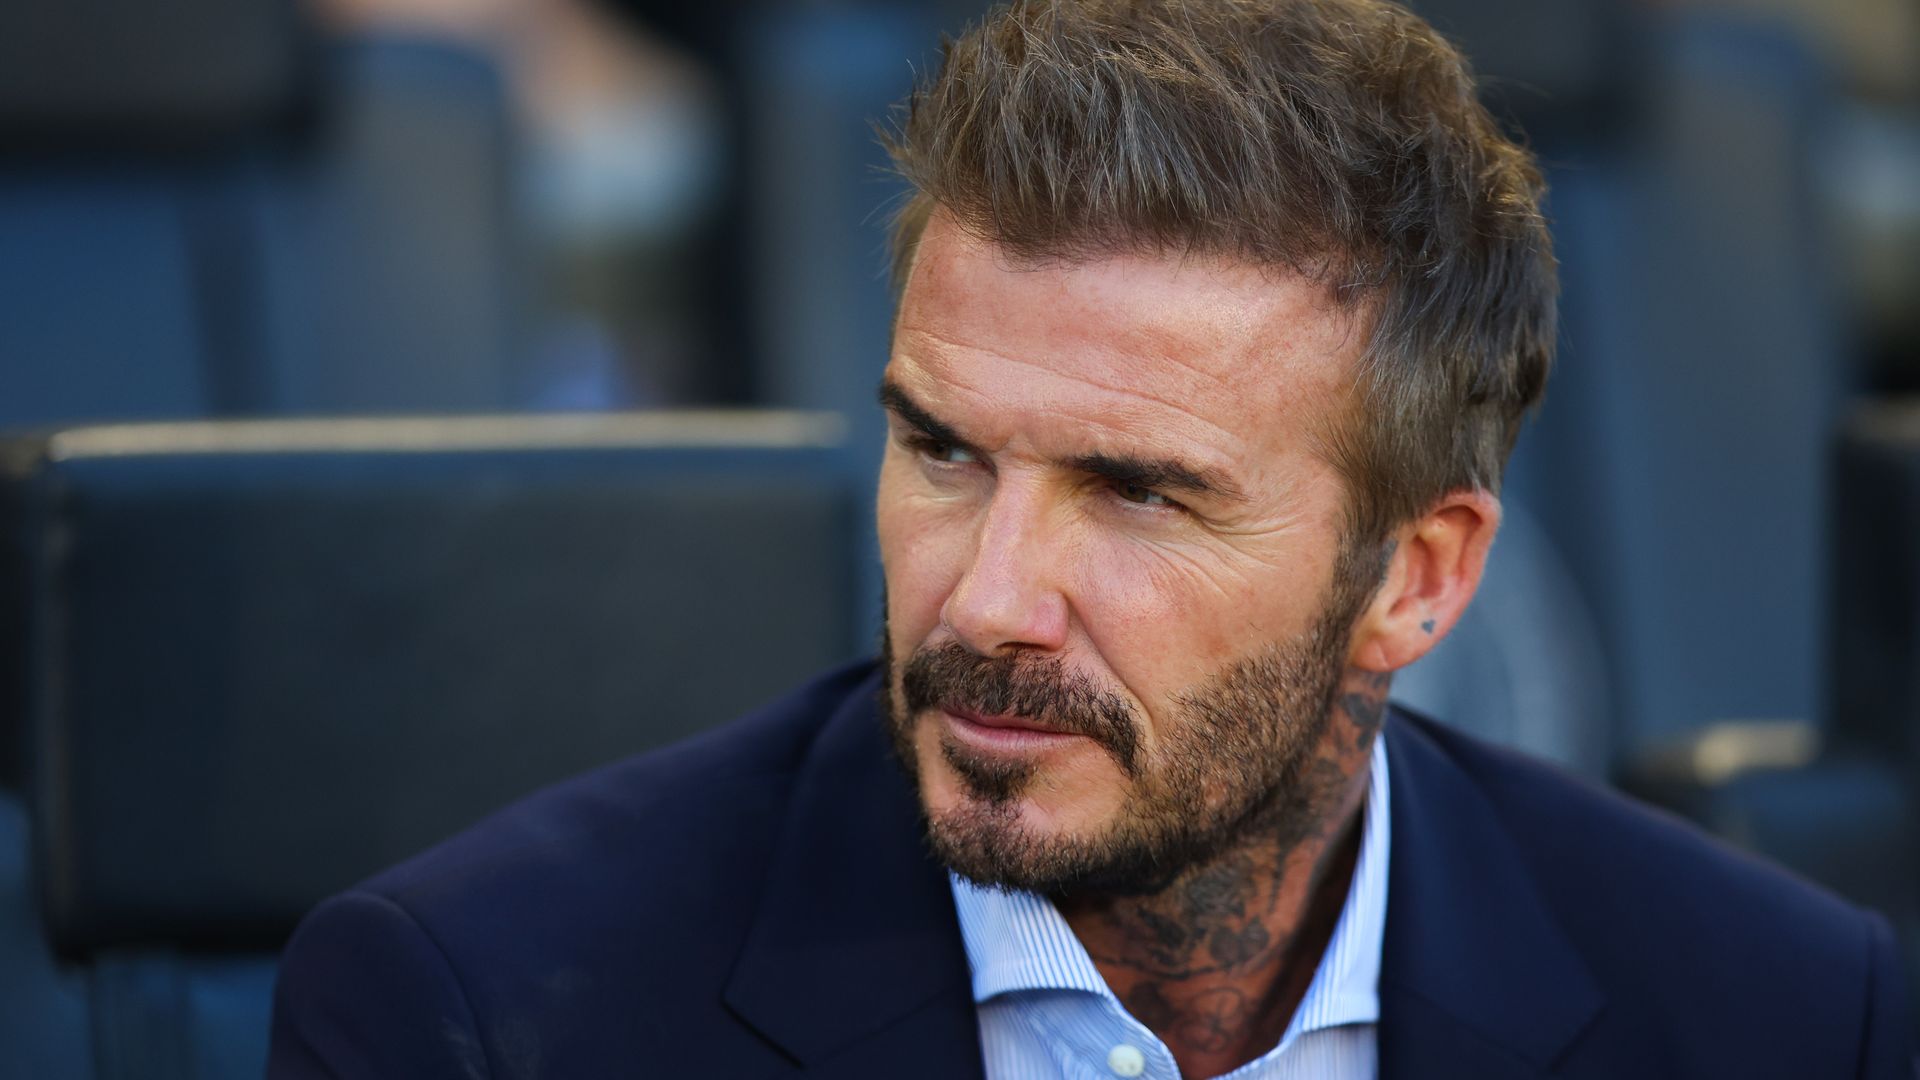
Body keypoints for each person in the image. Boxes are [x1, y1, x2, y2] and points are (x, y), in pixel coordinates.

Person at [268, 1, 1913, 1076]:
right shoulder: (476, 1015)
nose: (984, 599)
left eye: (1138, 492)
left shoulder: (1778, 1018)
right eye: (940, 450)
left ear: (1416, 580)